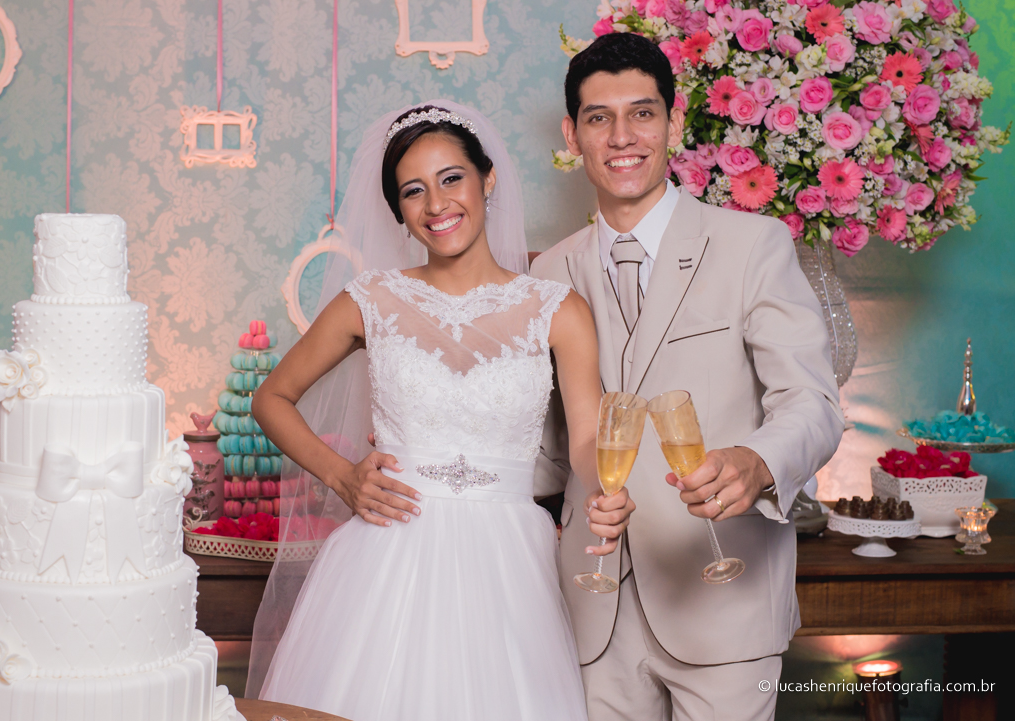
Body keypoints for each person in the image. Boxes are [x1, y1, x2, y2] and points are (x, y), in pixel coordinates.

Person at [250, 101, 632, 720]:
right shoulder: (370, 299)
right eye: (413, 191)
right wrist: (342, 476)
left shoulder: (557, 309)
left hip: (508, 560)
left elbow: (587, 440)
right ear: (398, 211)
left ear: (488, 179)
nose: (436, 204)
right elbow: (270, 398)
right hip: (386, 556)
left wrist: (606, 489)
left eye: (451, 178)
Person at [530, 33, 844, 721]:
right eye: (599, 117)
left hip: (724, 597)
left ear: (674, 124)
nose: (622, 137)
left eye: (642, 113)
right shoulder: (547, 272)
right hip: (592, 606)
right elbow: (550, 448)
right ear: (572, 136)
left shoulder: (753, 244)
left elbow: (813, 402)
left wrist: (758, 461)